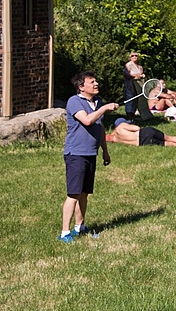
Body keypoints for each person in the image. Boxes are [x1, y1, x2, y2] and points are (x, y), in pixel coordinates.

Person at [60, 71, 118, 243]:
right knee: (73, 194)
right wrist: (105, 108)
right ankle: (65, 232)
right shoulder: (74, 101)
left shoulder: (97, 102)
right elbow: (86, 120)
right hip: (76, 154)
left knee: (84, 193)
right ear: (81, 87)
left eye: (96, 81)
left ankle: (80, 227)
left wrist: (105, 151)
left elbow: (99, 128)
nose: (96, 84)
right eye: (92, 82)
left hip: (91, 153)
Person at [106, 118, 176, 147]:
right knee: (169, 138)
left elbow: (107, 138)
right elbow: (137, 128)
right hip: (145, 133)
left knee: (168, 144)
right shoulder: (121, 126)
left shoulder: (115, 139)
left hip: (143, 143)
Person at [122, 52, 144, 117]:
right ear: (130, 57)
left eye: (136, 56)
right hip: (130, 86)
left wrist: (139, 76)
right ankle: (129, 116)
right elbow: (128, 75)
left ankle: (133, 115)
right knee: (130, 100)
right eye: (132, 56)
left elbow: (140, 75)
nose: (134, 57)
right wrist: (138, 76)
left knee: (136, 100)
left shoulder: (140, 67)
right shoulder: (128, 65)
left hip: (138, 86)